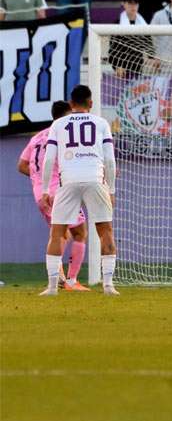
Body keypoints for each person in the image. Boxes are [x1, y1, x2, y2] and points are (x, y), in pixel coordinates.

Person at [39, 85, 119, 296]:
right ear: (90, 103)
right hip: (95, 178)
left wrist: (46, 189)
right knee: (105, 231)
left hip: (69, 181)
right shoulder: (101, 123)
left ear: (71, 103)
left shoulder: (58, 124)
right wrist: (111, 189)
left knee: (57, 233)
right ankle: (109, 286)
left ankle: (52, 287)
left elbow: (49, 159)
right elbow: (110, 160)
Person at [18, 100, 89, 291]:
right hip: (59, 191)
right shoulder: (64, 135)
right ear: (67, 116)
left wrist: (38, 180)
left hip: (40, 195)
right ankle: (72, 281)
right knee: (80, 232)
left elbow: (22, 165)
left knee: (59, 234)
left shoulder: (37, 137)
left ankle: (58, 279)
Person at [108, 0, 154, 78]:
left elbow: (149, 44)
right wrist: (117, 66)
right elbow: (113, 49)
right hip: (121, 69)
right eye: (130, 3)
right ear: (124, 4)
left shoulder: (143, 23)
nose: (133, 6)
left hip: (138, 67)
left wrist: (152, 58)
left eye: (135, 3)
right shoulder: (117, 23)